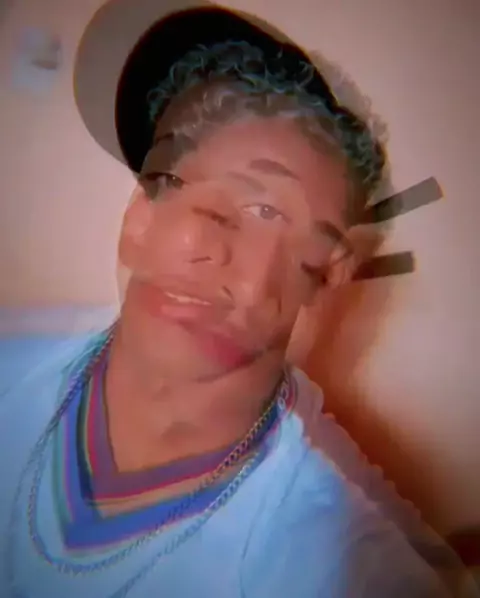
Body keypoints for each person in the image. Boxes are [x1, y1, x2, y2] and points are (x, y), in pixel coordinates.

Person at [0, 31, 477, 598]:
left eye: (263, 210)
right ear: (138, 218)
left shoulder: (328, 562)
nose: (195, 236)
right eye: (170, 183)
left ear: (328, 272)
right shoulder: (14, 366)